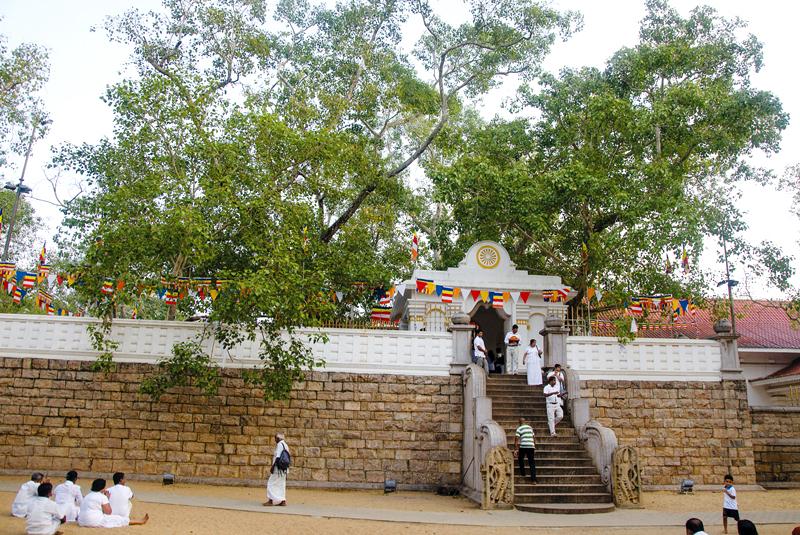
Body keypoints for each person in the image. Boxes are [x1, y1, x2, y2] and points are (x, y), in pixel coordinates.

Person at [78, 478, 148, 528]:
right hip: (94, 521)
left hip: (81, 521)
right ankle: (140, 521)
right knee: (118, 519)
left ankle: (139, 521)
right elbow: (108, 512)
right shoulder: (102, 497)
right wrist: (107, 498)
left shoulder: (87, 496)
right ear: (102, 488)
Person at [264, 433, 290, 506]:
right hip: (284, 469)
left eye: (275, 438)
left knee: (271, 483)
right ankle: (283, 501)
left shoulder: (279, 445)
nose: (275, 440)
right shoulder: (286, 445)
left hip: (278, 469)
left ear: (278, 438)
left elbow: (278, 457)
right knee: (281, 484)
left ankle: (271, 500)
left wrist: (272, 467)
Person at [514, 417, 537, 483]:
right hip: (531, 446)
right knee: (532, 463)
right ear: (525, 422)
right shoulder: (530, 428)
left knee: (520, 458)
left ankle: (523, 473)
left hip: (523, 446)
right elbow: (534, 437)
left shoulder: (519, 428)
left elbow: (516, 439)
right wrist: (534, 446)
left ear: (519, 422)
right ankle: (534, 480)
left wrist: (515, 449)